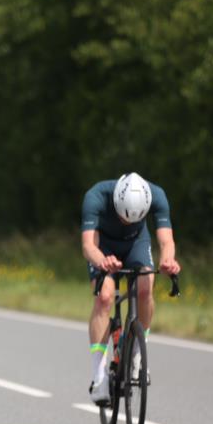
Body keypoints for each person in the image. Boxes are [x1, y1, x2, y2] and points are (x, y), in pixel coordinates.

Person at [81, 172, 181, 405]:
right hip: (102, 246)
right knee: (105, 297)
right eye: (123, 217)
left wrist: (168, 261)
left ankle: (136, 351)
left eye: (133, 218)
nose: (126, 221)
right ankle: (99, 376)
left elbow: (167, 242)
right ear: (116, 202)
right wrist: (102, 261)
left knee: (146, 287)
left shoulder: (157, 195)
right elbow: (88, 246)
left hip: (137, 242)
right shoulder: (96, 196)